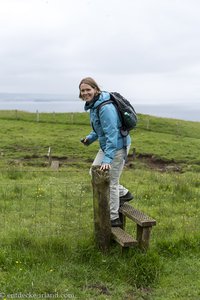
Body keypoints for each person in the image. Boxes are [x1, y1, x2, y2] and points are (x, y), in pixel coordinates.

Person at [79, 77, 133, 227]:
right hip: (108, 146)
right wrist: (89, 138)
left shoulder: (105, 108)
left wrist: (107, 160)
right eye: (82, 90)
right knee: (93, 172)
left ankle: (113, 219)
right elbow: (100, 129)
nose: (85, 93)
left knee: (112, 182)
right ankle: (125, 194)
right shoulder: (94, 105)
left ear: (96, 89)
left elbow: (112, 134)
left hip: (117, 146)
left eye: (88, 89)